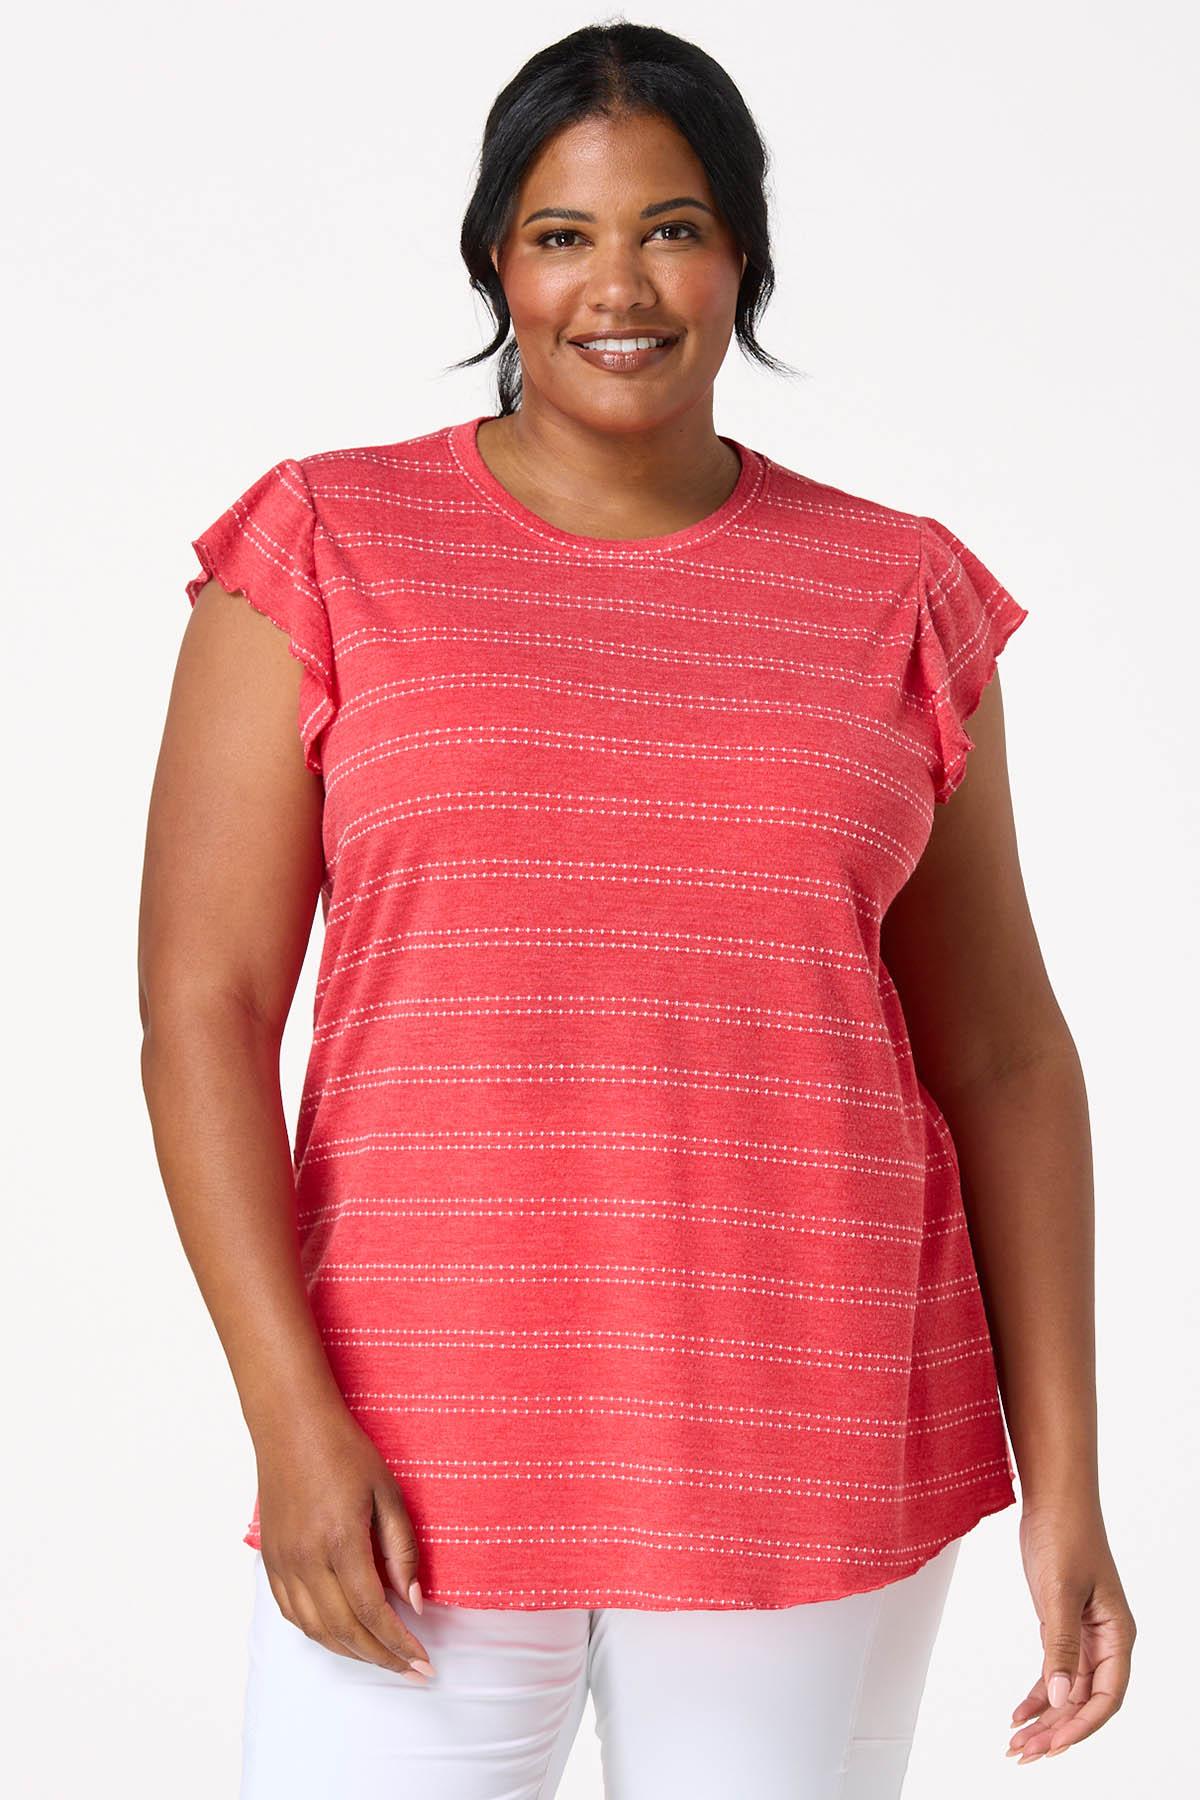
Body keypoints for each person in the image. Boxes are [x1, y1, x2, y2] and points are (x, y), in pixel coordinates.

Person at [138, 20, 1135, 1799]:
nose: (620, 286)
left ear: (744, 254)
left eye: (674, 229)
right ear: (495, 262)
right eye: (563, 234)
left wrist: (1070, 1485)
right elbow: (200, 1008)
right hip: (415, 1440)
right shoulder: (320, 548)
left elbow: (1002, 1055)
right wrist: (289, 1417)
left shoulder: (899, 591)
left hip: (812, 1429)